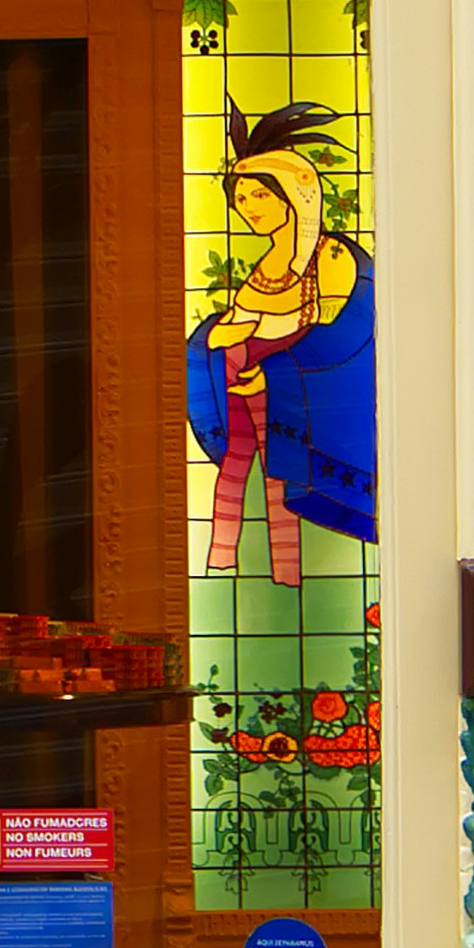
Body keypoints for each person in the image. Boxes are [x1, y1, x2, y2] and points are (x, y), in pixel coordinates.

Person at [184, 105, 377, 592]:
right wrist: (216, 340)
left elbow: (342, 331)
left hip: (291, 387)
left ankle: (287, 580)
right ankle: (221, 569)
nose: (247, 207)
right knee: (234, 468)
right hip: (248, 381)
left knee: (280, 476)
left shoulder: (330, 256)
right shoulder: (268, 264)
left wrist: (272, 370)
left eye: (258, 196)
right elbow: (238, 321)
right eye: (241, 198)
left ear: (291, 197)